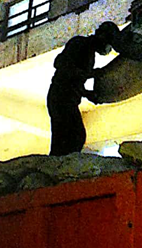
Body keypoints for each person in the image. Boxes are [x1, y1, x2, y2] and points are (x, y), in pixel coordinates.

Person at [46, 22, 119, 156]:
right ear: (102, 36)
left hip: (67, 98)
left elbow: (75, 81)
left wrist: (87, 93)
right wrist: (92, 74)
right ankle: (57, 164)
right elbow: (61, 64)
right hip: (61, 97)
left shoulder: (89, 53)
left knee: (69, 138)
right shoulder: (79, 43)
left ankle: (58, 163)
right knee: (72, 137)